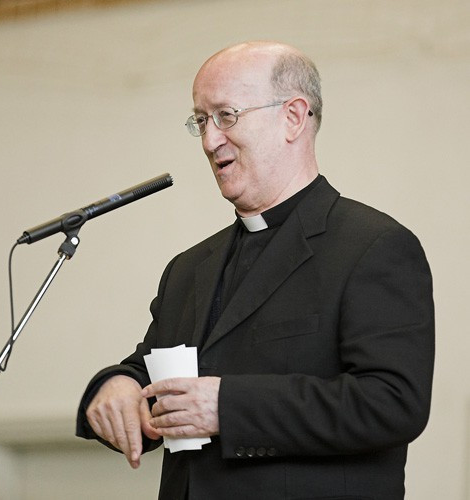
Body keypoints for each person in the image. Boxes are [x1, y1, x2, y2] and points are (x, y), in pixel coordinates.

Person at [76, 41, 435, 500]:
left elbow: (392, 402)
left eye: (226, 116)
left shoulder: (373, 246)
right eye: (201, 121)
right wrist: (117, 385)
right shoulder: (188, 268)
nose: (209, 141)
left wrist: (227, 408)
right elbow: (152, 374)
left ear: (293, 117)